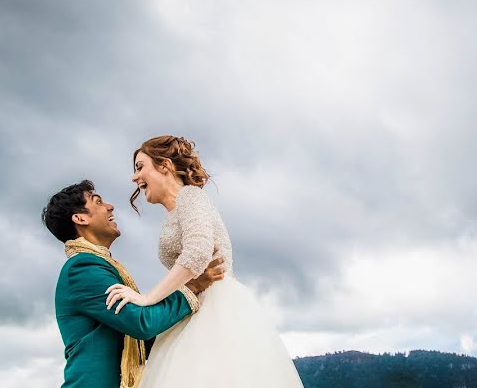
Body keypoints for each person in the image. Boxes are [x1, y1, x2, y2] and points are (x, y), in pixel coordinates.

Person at [104, 135, 305, 387]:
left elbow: (198, 253)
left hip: (216, 310)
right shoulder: (173, 215)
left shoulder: (190, 196)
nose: (134, 178)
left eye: (140, 167)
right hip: (189, 309)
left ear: (164, 166)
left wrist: (147, 298)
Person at [42, 180, 226, 388]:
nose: (110, 206)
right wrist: (191, 287)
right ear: (80, 218)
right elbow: (140, 323)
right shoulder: (82, 269)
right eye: (98, 202)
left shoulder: (103, 267)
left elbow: (143, 343)